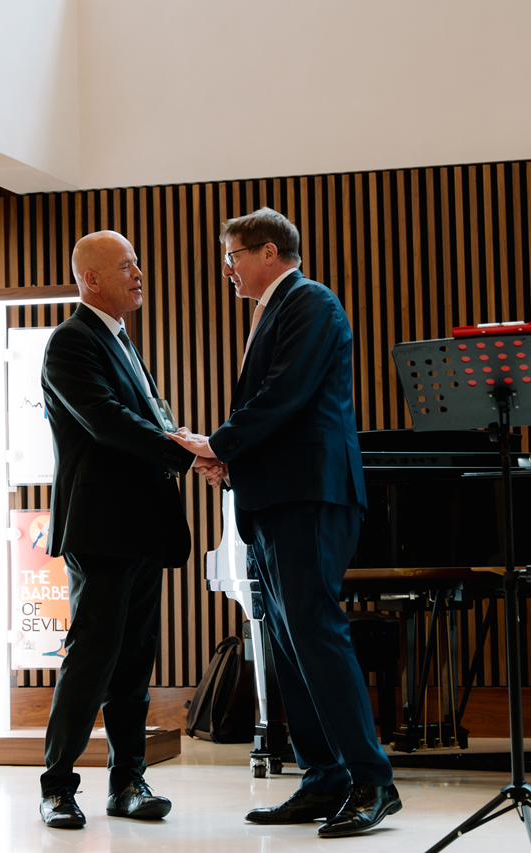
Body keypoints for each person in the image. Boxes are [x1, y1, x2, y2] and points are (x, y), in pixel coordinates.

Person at [170, 207, 400, 837]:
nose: (227, 269)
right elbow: (278, 412)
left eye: (232, 255)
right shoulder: (272, 308)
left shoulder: (310, 301)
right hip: (274, 497)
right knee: (287, 643)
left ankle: (372, 780)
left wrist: (218, 444)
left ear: (269, 252)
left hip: (311, 497)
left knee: (317, 635)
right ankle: (322, 777)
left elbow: (284, 395)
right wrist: (232, 465)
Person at [38, 230, 206, 830]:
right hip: (101, 528)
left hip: (141, 525)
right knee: (92, 657)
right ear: (91, 279)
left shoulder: (122, 341)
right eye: (127, 265)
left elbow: (151, 420)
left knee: (135, 661)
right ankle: (57, 787)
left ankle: (127, 782)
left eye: (138, 262)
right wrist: (191, 456)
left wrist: (186, 442)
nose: (139, 273)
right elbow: (109, 423)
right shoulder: (69, 342)